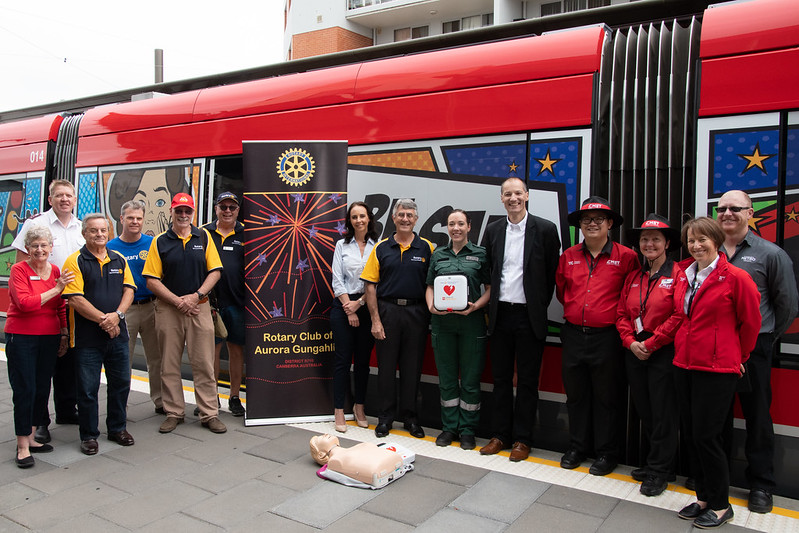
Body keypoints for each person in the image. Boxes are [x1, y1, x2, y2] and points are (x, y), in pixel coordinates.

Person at [674, 216, 761, 529]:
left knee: (709, 436)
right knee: (693, 434)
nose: (696, 246)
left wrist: (741, 355)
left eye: (702, 240)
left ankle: (722, 505)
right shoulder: (685, 275)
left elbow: (751, 323)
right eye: (691, 241)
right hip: (685, 364)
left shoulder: (736, 277)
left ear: (716, 241)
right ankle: (703, 497)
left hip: (718, 367)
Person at [716, 190, 798, 514]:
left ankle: (761, 486)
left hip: (755, 350)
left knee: (758, 418)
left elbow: (788, 305)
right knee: (716, 417)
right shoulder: (708, 253)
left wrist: (764, 340)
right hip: (715, 349)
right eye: (722, 208)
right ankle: (715, 479)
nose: (728, 213)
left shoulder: (771, 254)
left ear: (750, 213)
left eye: (736, 208)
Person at [556, 196, 639, 476]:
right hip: (573, 336)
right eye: (586, 220)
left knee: (607, 398)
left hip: (608, 338)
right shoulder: (568, 256)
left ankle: (606, 453)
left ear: (610, 223)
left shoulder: (627, 257)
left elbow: (633, 298)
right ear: (579, 225)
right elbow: (562, 291)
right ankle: (578, 447)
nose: (592, 224)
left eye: (598, 219)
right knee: (576, 396)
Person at [479, 178, 561, 461]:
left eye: (517, 193)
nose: (513, 198)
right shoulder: (492, 231)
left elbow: (552, 273)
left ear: (526, 195)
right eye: (507, 194)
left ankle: (523, 440)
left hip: (529, 317)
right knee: (500, 379)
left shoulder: (546, 230)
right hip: (501, 315)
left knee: (527, 381)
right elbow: (487, 269)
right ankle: (500, 435)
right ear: (501, 199)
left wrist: (538, 304)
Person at [143, 193, 225, 434]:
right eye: (179, 211)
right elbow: (151, 279)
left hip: (199, 307)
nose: (183, 215)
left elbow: (215, 272)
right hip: (169, 309)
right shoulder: (159, 241)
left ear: (193, 213)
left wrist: (196, 296)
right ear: (172, 212)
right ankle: (174, 412)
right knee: (168, 363)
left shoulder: (204, 236)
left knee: (204, 363)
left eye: (187, 211)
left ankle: (209, 413)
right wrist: (177, 301)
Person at [615, 214, 684, 496]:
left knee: (663, 413)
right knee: (646, 410)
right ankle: (657, 463)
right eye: (644, 239)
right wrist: (631, 342)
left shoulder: (679, 274)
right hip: (635, 351)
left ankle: (659, 471)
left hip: (663, 352)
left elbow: (680, 315)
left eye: (656, 239)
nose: (649, 244)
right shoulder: (635, 276)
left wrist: (653, 343)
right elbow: (621, 314)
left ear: (667, 243)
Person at [12, 179, 84, 443]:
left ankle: (66, 409)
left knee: (68, 361)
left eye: (69, 195)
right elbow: (22, 263)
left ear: (75, 199)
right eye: (59, 195)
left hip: (71, 302)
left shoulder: (80, 227)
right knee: (42, 369)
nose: (65, 199)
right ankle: (40, 422)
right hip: (41, 302)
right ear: (50, 198)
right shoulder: (37, 224)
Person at [62, 214, 137, 455]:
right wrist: (105, 320)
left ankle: (117, 428)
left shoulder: (119, 259)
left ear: (109, 233)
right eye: (93, 231)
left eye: (103, 230)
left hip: (118, 335)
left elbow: (129, 290)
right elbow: (75, 299)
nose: (99, 235)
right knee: (87, 388)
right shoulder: (74, 261)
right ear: (84, 234)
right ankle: (89, 435)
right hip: (87, 339)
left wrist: (117, 316)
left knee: (121, 383)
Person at [361, 199, 434, 439]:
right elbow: (370, 286)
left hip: (417, 313)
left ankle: (411, 419)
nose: (405, 219)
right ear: (393, 218)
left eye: (409, 215)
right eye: (401, 214)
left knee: (412, 369)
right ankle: (385, 418)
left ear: (416, 219)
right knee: (386, 369)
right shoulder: (381, 248)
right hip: (387, 313)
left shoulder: (428, 248)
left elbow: (433, 284)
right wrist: (375, 320)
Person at [5, 226, 73, 468]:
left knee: (42, 388)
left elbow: (59, 308)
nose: (40, 249)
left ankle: (32, 437)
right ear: (28, 249)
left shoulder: (55, 270)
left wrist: (63, 334)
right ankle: (22, 445)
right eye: (35, 246)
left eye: (44, 245)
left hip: (49, 337)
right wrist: (56, 288)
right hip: (21, 337)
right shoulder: (19, 270)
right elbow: (24, 303)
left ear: (51, 248)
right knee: (24, 389)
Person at [425, 209, 492, 451]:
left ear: (469, 227)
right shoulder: (438, 254)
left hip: (471, 322)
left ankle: (467, 430)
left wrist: (476, 307)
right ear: (447, 227)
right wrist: (432, 306)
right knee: (447, 379)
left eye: (460, 224)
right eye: (452, 224)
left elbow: (489, 288)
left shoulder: (481, 254)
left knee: (471, 380)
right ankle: (449, 427)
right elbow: (430, 285)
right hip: (443, 324)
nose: (456, 228)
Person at [107, 200, 163, 415]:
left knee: (156, 358)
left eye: (139, 218)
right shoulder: (111, 247)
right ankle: (121, 405)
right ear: (121, 219)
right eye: (130, 217)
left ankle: (160, 401)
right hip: (125, 310)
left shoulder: (153, 243)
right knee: (123, 359)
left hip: (151, 306)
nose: (135, 222)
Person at [330, 201, 377, 432]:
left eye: (362, 216)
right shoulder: (342, 245)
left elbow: (379, 281)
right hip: (342, 307)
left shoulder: (377, 246)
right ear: (349, 221)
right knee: (341, 361)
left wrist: (359, 305)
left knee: (362, 363)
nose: (359, 220)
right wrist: (348, 307)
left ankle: (359, 407)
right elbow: (336, 279)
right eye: (354, 217)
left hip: (367, 307)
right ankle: (339, 410)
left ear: (369, 218)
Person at [202, 192, 246, 417]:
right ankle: (212, 395)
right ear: (216, 209)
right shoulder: (203, 233)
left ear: (238, 210)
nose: (227, 211)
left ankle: (235, 396)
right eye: (223, 207)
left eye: (232, 207)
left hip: (239, 303)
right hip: (211, 304)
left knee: (236, 351)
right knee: (212, 352)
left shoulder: (247, 233)